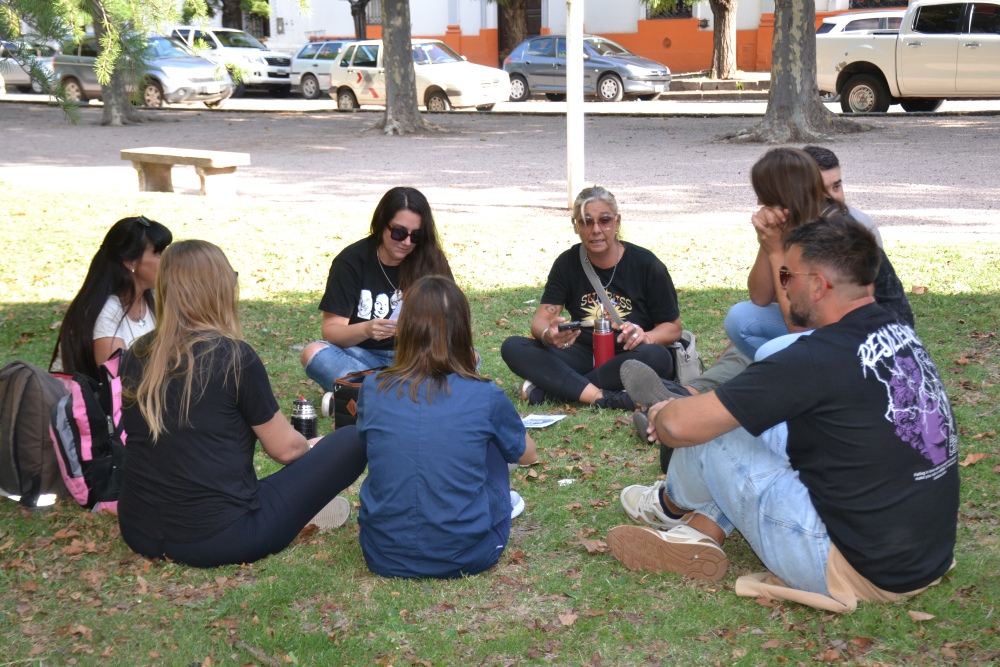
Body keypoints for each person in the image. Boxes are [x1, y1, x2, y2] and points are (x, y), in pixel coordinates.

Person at [609, 217, 958, 613]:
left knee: (717, 429)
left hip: (848, 564)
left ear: (819, 285)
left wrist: (662, 411)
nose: (784, 285)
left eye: (788, 273)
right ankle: (699, 531)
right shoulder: (900, 333)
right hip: (922, 556)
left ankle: (670, 504)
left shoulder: (813, 357)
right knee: (755, 419)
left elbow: (679, 428)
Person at [117, 240, 366, 568]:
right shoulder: (233, 357)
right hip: (221, 539)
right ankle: (308, 507)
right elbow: (286, 450)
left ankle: (304, 507)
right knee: (354, 438)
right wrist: (314, 450)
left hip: (138, 531)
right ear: (218, 289)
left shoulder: (137, 353)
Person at [357, 275, 538, 579]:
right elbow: (527, 455)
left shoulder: (373, 387)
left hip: (382, 553)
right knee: (492, 443)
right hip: (469, 555)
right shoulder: (485, 394)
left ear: (406, 328)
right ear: (463, 329)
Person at [500, 186, 682, 411]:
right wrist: (549, 334)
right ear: (576, 226)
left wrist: (646, 337)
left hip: (629, 354)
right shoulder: (567, 263)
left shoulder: (646, 264)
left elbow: (673, 328)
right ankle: (604, 396)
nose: (596, 229)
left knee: (658, 358)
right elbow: (540, 320)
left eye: (604, 220)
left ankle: (560, 387)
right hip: (582, 351)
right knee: (513, 346)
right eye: (586, 222)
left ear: (617, 222)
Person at [723, 147, 912, 360]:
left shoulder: (830, 231)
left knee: (771, 353)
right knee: (741, 318)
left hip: (878, 342)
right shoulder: (799, 218)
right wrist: (766, 240)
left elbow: (799, 324)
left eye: (764, 196)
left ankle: (806, 384)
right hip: (837, 327)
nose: (759, 203)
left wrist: (776, 252)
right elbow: (759, 297)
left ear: (784, 196)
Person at [300, 186, 454, 395]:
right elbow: (332, 330)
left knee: (470, 356)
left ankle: (368, 394)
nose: (407, 242)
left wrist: (418, 331)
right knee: (314, 353)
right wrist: (366, 329)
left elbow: (450, 324)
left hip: (418, 357)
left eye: (416, 235)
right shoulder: (352, 261)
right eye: (399, 232)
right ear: (381, 224)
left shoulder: (431, 260)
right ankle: (407, 393)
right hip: (363, 357)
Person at [50, 215, 172, 379]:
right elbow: (120, 381)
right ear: (130, 262)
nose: (168, 260)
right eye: (159, 253)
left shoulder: (154, 298)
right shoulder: (105, 311)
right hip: (105, 401)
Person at [802, 145, 883, 248]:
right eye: (821, 190)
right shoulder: (783, 225)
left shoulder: (863, 225)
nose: (833, 197)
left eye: (836, 187)